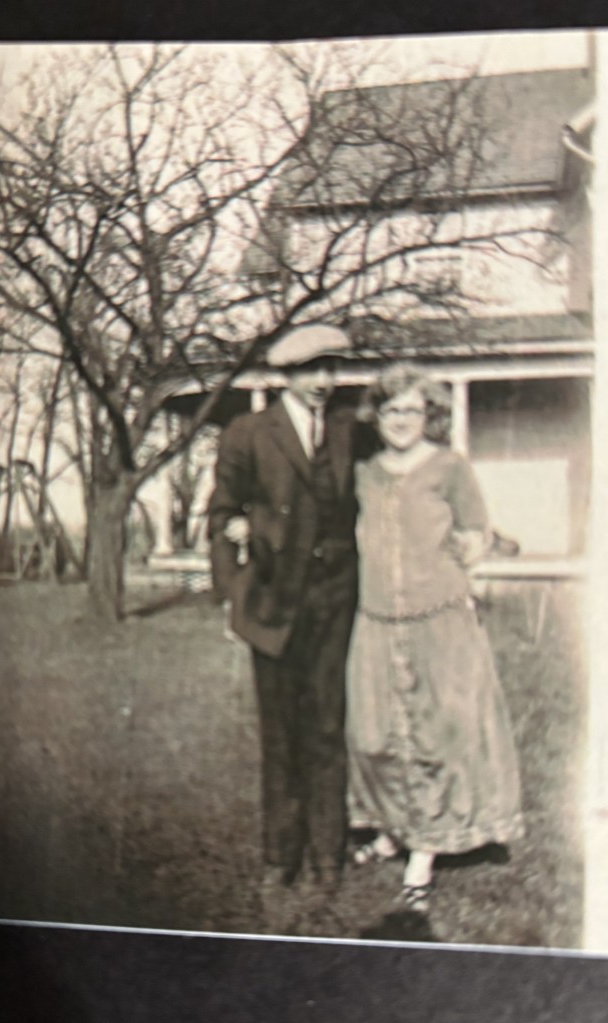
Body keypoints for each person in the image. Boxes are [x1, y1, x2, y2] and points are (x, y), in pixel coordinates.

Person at [346, 362, 524, 914]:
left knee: (440, 733)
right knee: (374, 734)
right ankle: (393, 829)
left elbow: (474, 533)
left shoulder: (450, 467)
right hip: (376, 620)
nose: (402, 420)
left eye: (413, 410)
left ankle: (424, 853)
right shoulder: (364, 473)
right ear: (376, 416)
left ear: (430, 415)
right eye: (391, 409)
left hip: (438, 619)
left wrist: (453, 571)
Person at [208, 324, 364, 896]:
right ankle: (281, 855)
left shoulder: (350, 430)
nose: (323, 381)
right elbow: (221, 515)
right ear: (286, 376)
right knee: (280, 732)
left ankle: (328, 856)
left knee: (326, 726)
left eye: (330, 369)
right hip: (272, 602)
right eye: (310, 370)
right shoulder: (248, 433)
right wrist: (234, 594)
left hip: (334, 600)